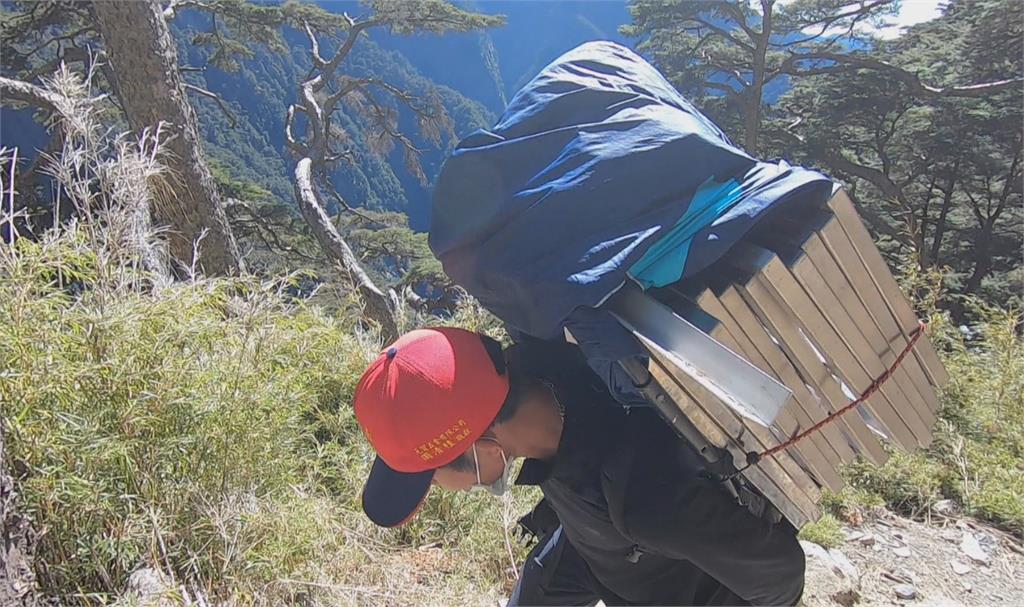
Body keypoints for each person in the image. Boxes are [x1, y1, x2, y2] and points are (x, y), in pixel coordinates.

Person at [353, 326, 806, 606]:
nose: (441, 489)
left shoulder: (650, 503)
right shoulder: (548, 359)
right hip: (590, 546)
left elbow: (781, 574)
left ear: (485, 449)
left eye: (432, 476)